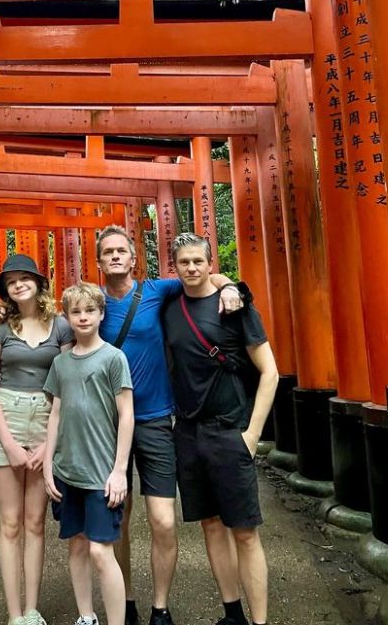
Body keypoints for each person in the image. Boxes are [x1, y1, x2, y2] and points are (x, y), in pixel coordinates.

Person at [95, 225, 243, 625]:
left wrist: (233, 288)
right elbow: (50, 319)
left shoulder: (159, 291)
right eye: (107, 252)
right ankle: (124, 604)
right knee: (117, 518)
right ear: (99, 261)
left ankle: (160, 607)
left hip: (157, 420)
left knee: (162, 520)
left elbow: (205, 274)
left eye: (120, 251)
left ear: (132, 257)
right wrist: (0, 309)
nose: (114, 257)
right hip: (107, 425)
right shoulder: (93, 302)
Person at [163, 233, 279, 625]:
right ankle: (233, 614)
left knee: (244, 531)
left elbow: (271, 373)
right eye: (184, 263)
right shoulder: (170, 307)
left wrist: (252, 436)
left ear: (210, 263)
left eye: (199, 261)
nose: (192, 268)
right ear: (174, 267)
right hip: (188, 432)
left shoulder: (236, 306)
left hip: (230, 431)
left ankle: (259, 620)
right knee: (211, 525)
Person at [0, 254, 74, 625]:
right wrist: (10, 444)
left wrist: (48, 445)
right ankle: (14, 614)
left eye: (25, 278)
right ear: (5, 290)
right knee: (10, 522)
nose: (19, 285)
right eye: (11, 281)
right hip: (8, 418)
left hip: (47, 420)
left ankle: (32, 609)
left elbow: (66, 384)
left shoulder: (61, 326)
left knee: (36, 522)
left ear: (39, 281)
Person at [43, 282, 134, 625]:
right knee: (77, 545)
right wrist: (48, 468)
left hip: (101, 472)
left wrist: (120, 470)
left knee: (100, 549)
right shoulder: (61, 363)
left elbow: (126, 414)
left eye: (89, 311)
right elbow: (55, 415)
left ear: (101, 314)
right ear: (67, 317)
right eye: (76, 312)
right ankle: (86, 616)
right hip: (67, 469)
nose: (83, 318)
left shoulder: (113, 357)